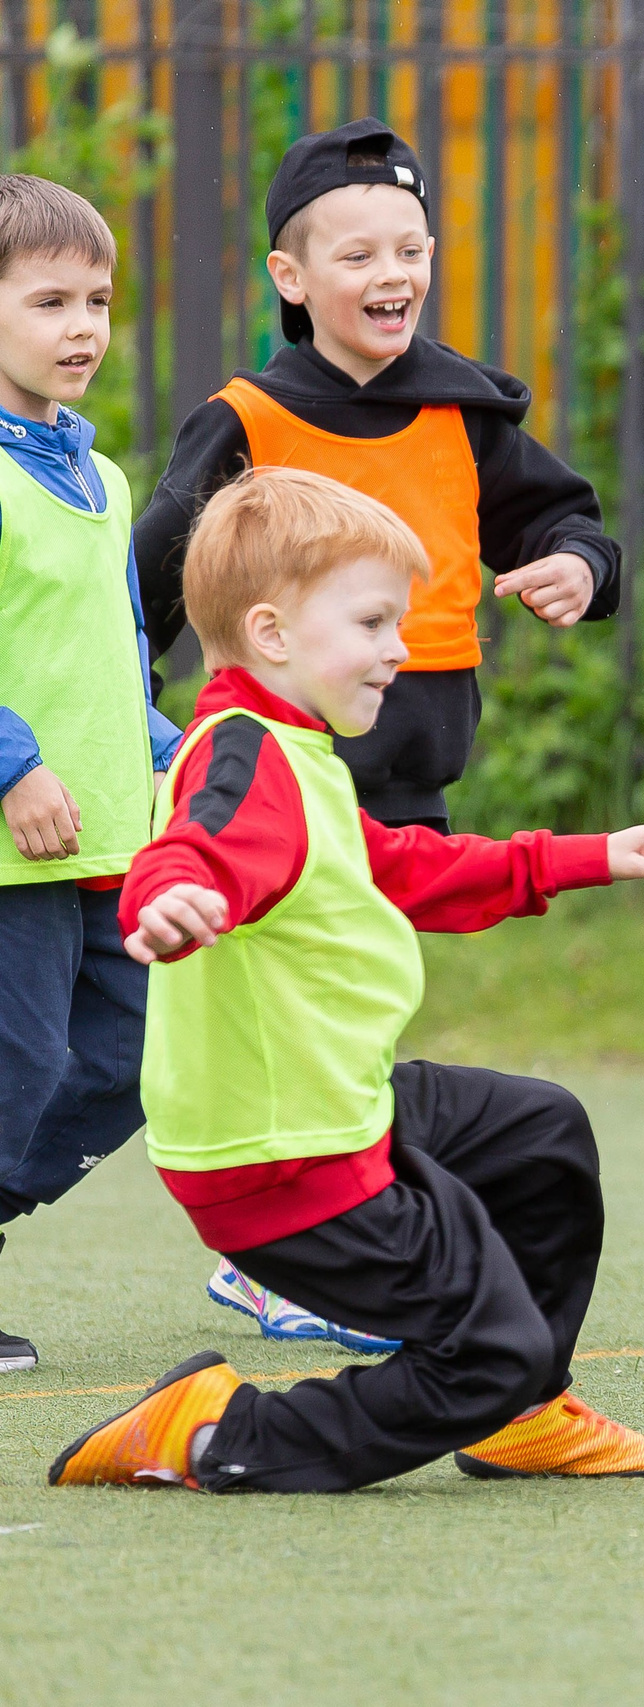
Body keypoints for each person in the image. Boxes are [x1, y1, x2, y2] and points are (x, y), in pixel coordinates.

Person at [49, 468, 644, 1492]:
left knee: (540, 1133)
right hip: (285, 1163)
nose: (400, 649)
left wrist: (583, 854)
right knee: (490, 1352)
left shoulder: (294, 748)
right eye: (371, 622)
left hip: (336, 1107)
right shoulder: (246, 761)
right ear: (272, 634)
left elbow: (405, 866)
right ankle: (216, 1432)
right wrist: (165, 902)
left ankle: (519, 1416)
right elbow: (195, 849)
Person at [133, 117, 623, 1350]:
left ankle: (341, 1219)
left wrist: (574, 564)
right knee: (299, 1005)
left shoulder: (463, 411)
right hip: (278, 793)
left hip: (408, 773)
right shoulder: (245, 419)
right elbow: (148, 580)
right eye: (356, 255)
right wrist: (123, 715)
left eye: (410, 248)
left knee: (361, 999)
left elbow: (566, 517)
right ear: (292, 280)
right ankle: (285, 1245)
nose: (391, 274)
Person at [0, 175, 183, 1374]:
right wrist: (13, 765)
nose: (82, 327)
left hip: (114, 827)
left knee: (129, 1059)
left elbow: (119, 649)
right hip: (16, 837)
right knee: (16, 1066)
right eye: (48, 300)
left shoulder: (105, 478)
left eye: (99, 301)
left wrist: (175, 753)